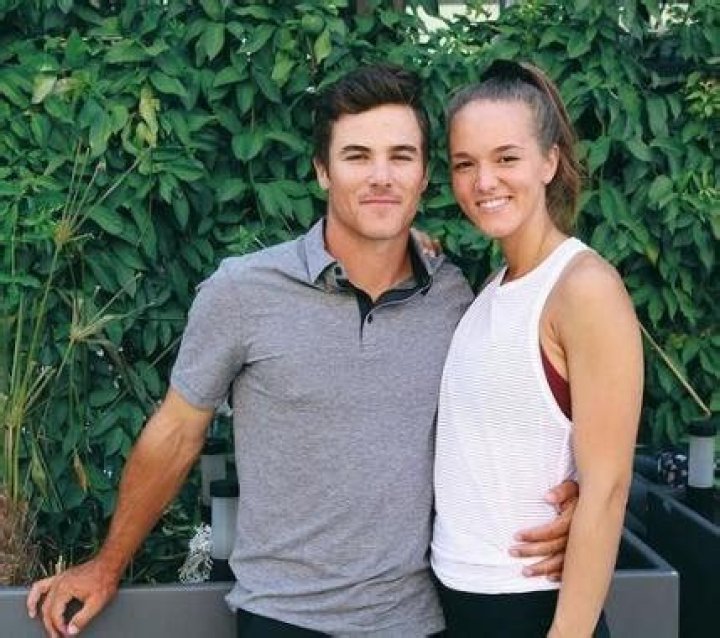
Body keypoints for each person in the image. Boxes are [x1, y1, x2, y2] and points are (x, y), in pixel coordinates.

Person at [27, 64, 578, 638]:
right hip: (283, 617)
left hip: (416, 620)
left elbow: (513, 418)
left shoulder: (454, 298)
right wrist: (107, 565)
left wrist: (577, 502)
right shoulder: (243, 291)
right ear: (322, 170)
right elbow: (176, 433)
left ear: (423, 176)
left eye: (401, 157)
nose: (381, 176)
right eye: (357, 156)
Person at [431, 60, 643, 637]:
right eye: (465, 164)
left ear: (549, 161)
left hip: (531, 608)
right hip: (459, 601)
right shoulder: (490, 289)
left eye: (506, 158)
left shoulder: (584, 288)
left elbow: (607, 488)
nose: (484, 181)